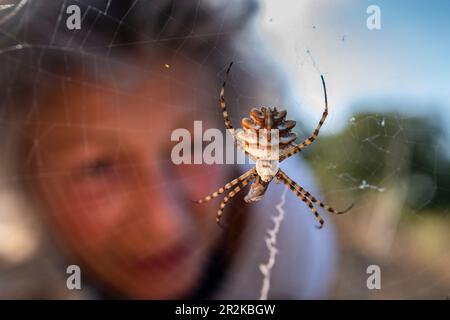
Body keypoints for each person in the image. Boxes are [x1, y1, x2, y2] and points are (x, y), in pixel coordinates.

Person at [0, 0, 337, 299]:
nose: (166, 225)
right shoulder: (23, 270)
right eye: (98, 167)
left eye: (192, 147)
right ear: (25, 183)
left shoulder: (294, 245)